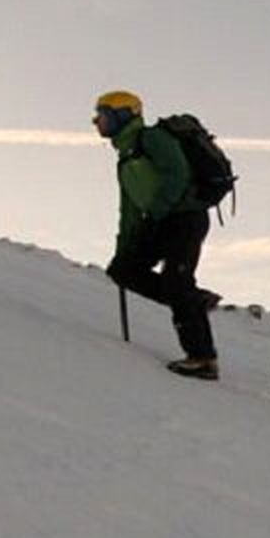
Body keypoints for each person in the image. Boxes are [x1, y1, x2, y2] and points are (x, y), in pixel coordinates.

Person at [95, 90, 220, 380]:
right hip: (160, 221)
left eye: (102, 115)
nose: (97, 121)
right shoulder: (125, 157)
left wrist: (161, 208)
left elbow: (177, 172)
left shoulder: (151, 138)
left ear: (122, 114)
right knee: (122, 269)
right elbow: (128, 209)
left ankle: (202, 358)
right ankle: (194, 300)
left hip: (186, 217)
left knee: (177, 283)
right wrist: (123, 246)